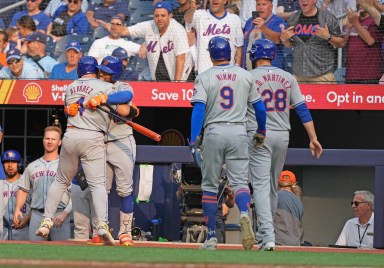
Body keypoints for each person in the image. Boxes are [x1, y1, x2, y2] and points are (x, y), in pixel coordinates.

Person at [34, 56, 133, 246]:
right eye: (100, 70)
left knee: (61, 181)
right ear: (95, 71)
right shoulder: (104, 86)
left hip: (71, 136)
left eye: (106, 72)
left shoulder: (70, 86)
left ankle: (46, 220)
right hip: (93, 137)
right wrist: (103, 97)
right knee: (97, 184)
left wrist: (103, 100)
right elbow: (125, 98)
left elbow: (128, 101)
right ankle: (102, 225)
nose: (102, 74)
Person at [189, 36, 267, 250]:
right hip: (239, 130)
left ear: (210, 54)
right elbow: (260, 109)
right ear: (231, 52)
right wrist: (261, 130)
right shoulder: (245, 75)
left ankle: (212, 237)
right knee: (241, 182)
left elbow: (198, 109)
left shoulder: (204, 77)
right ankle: (243, 213)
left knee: (210, 187)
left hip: (214, 130)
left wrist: (193, 137)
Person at [247, 39, 322, 251]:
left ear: (254, 56)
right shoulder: (288, 77)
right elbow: (302, 108)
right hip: (282, 135)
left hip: (259, 134)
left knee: (261, 186)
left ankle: (267, 236)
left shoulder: (249, 76)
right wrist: (313, 137)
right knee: (271, 186)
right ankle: (265, 235)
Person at [99, 2, 193, 81]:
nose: (159, 18)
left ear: (170, 15)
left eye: (163, 15)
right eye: (157, 16)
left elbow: (181, 58)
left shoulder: (178, 30)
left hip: (183, 77)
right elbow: (125, 31)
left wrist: (177, 83)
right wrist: (113, 28)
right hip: (160, 77)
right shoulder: (148, 26)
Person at [13, 126, 72, 241]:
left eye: (53, 139)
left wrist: (65, 213)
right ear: (43, 140)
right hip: (37, 215)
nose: (50, 141)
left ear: (60, 142)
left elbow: (74, 194)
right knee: (34, 252)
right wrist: (17, 209)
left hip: (59, 215)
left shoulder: (66, 165)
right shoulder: (32, 166)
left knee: (62, 253)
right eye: (47, 138)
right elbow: (23, 190)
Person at [279, 0, 344, 83]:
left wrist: (328, 37)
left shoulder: (327, 18)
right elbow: (290, 45)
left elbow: (342, 43)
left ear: (315, 0)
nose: (303, 1)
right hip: (299, 77)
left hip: (322, 77)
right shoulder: (293, 18)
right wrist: (284, 39)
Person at [184, 0, 244, 74]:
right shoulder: (200, 15)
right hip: (204, 71)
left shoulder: (234, 19)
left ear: (225, 1)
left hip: (227, 72)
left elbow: (239, 46)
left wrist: (237, 66)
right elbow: (187, 19)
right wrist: (192, 9)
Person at [341, 6, 383, 84]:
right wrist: (348, 27)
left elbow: (370, 41)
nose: (360, 3)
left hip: (370, 75)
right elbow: (343, 43)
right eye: (358, 1)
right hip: (351, 75)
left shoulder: (376, 20)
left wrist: (355, 23)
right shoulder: (353, 19)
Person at [242, 0, 287, 70]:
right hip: (248, 69)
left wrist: (263, 28)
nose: (260, 7)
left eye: (264, 4)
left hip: (271, 71)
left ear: (271, 7)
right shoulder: (249, 21)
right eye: (258, 4)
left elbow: (278, 39)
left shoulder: (278, 21)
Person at [1, 150, 31, 240]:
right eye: (6, 162)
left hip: (24, 229)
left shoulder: (27, 182)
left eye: (13, 162)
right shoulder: (0, 184)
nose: (10, 165)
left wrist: (27, 219)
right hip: (3, 230)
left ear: (19, 164)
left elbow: (37, 206)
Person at [274, 170, 304, 246]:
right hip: (295, 245)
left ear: (278, 183)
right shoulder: (299, 202)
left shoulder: (275, 196)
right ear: (294, 183)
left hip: (278, 243)